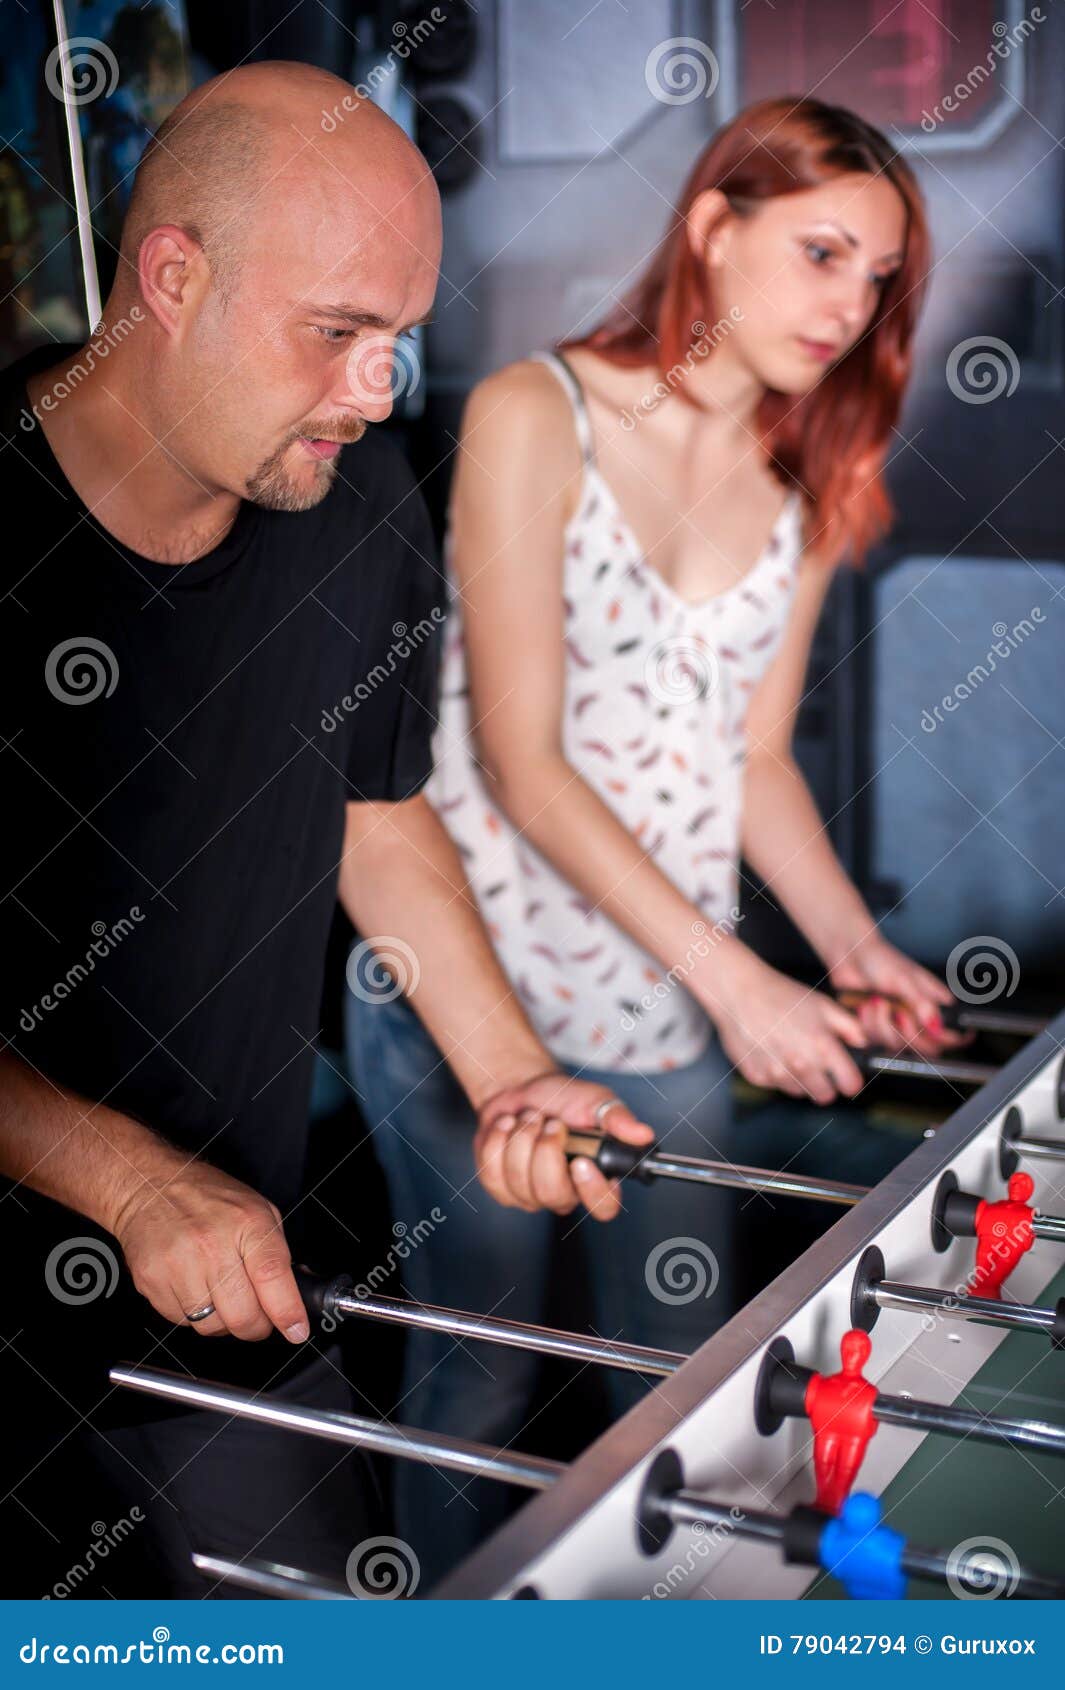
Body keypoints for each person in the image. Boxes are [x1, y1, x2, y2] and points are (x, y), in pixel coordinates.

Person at [0, 60, 655, 1599]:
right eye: (337, 334)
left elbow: (378, 814)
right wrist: (126, 1180)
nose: (377, 392)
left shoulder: (350, 514)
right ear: (172, 278)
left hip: (228, 1301)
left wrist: (505, 1068)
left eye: (399, 340)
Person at [345, 97, 973, 1583]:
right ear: (711, 226)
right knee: (479, 1380)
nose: (851, 303)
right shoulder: (529, 413)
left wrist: (841, 945)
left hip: (659, 1007)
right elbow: (521, 756)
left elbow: (752, 761)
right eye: (822, 251)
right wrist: (745, 982)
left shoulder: (803, 480)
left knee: (682, 1393)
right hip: (467, 1002)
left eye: (876, 277)